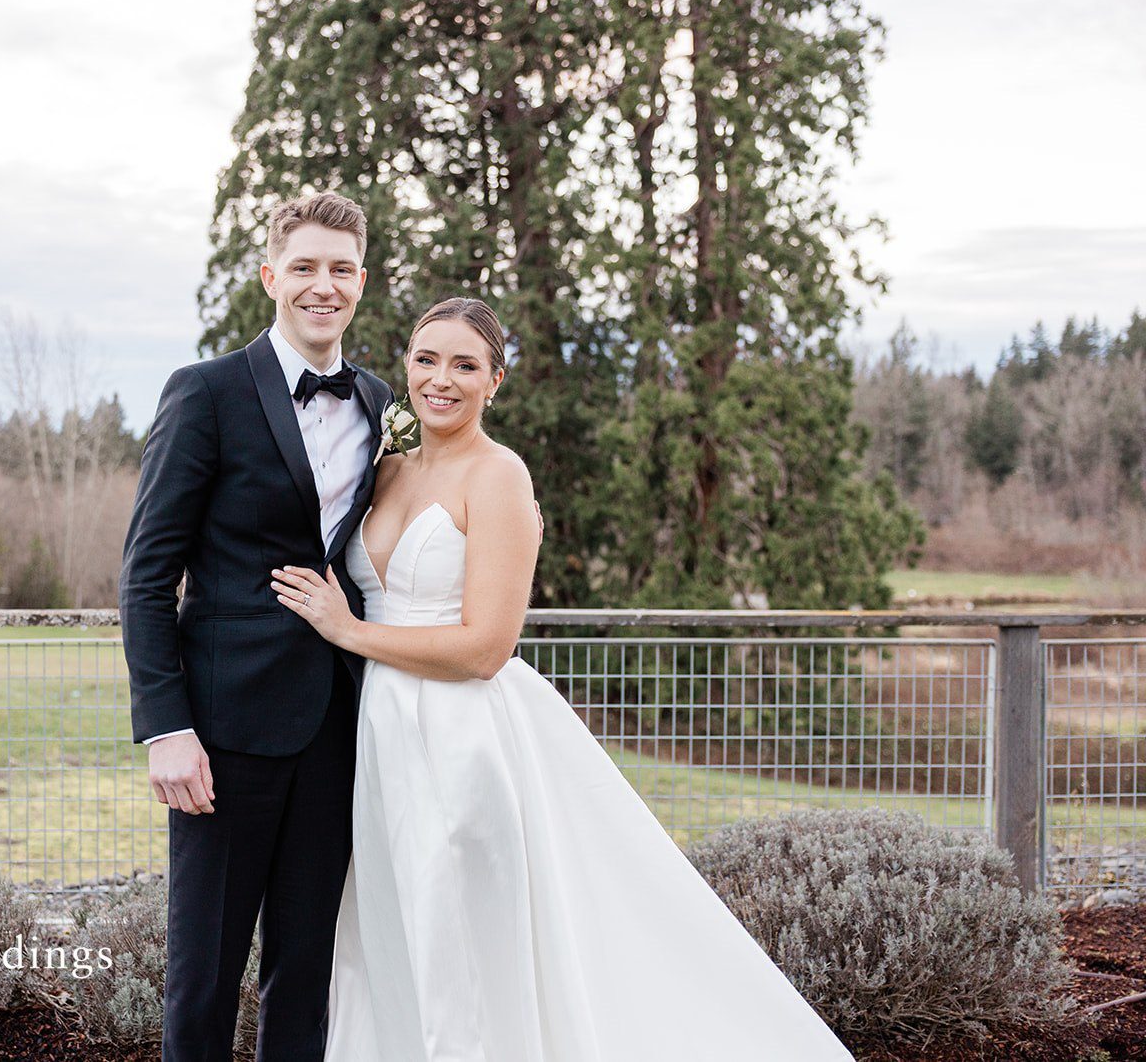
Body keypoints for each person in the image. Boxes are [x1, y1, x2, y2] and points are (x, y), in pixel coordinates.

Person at [270, 297, 857, 1061]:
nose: (440, 379)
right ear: (405, 366)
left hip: (461, 737)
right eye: (425, 359)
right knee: (392, 934)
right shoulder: (387, 467)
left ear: (496, 380)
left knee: (463, 941)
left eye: (465, 365)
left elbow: (487, 646)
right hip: (379, 734)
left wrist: (349, 631)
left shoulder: (500, 475)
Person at [119, 191, 393, 1061]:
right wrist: (166, 726)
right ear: (271, 275)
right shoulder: (204, 392)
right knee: (203, 977)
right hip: (222, 734)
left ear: (362, 280)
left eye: (340, 269)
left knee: (306, 972)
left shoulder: (382, 403)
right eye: (304, 267)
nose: (323, 286)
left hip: (334, 729)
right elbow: (146, 571)